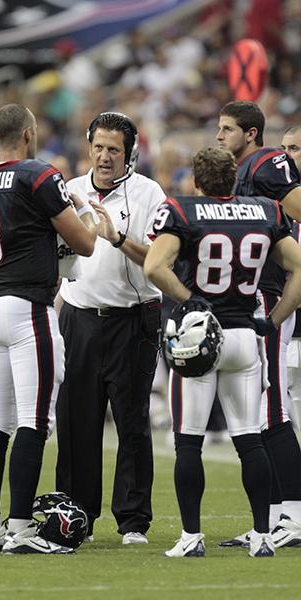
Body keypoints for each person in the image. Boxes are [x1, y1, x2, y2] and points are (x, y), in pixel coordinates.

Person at [0, 103, 97, 555]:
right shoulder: (37, 174)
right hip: (24, 306)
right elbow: (84, 244)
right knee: (34, 420)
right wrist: (84, 210)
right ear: (29, 133)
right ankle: (19, 530)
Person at [143, 147, 301, 557]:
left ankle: (192, 537)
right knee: (250, 438)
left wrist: (190, 299)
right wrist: (277, 316)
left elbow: (154, 268)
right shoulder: (265, 210)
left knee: (189, 442)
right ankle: (263, 535)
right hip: (246, 337)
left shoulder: (182, 209)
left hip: (200, 334)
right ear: (234, 178)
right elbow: (300, 266)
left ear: (197, 181)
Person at [55, 111, 165, 544]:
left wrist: (116, 237)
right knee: (74, 420)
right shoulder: (70, 191)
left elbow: (158, 261)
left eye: (113, 150)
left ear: (129, 153)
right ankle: (76, 515)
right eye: (98, 147)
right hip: (79, 314)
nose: (104, 157)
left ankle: (133, 520)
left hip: (132, 318)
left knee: (132, 421)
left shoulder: (148, 193)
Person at [216, 101, 301, 548]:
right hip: (248, 294)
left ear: (250, 134)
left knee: (272, 408)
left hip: (268, 292)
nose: (219, 136)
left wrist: (278, 312)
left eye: (227, 129)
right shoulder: (243, 171)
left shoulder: (268, 163)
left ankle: (295, 517)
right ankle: (268, 519)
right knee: (254, 408)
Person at [282, 126, 301, 433]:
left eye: (295, 148)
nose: (285, 155)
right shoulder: (276, 201)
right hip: (286, 315)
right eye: (283, 148)